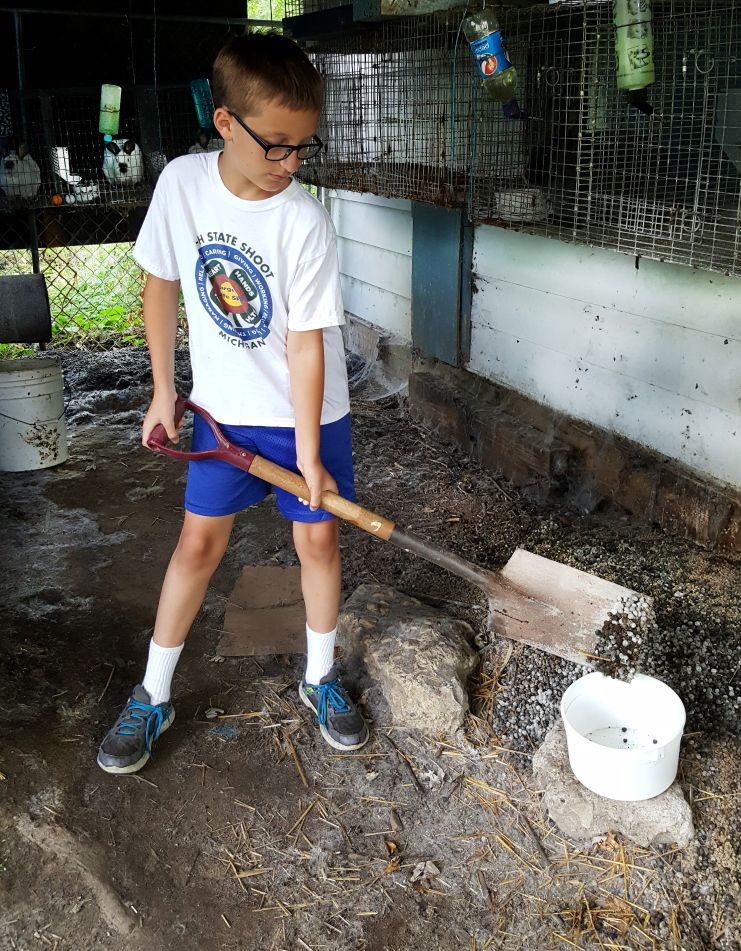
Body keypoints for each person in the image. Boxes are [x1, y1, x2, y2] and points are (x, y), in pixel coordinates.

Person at [97, 31, 369, 775]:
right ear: (225, 123)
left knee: (317, 540)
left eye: (302, 149)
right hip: (224, 411)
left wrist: (310, 455)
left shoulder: (304, 222)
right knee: (197, 545)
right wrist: (162, 392)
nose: (290, 164)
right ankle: (153, 693)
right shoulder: (182, 184)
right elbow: (158, 284)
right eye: (275, 145)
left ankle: (318, 679)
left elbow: (308, 346)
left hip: (309, 416)